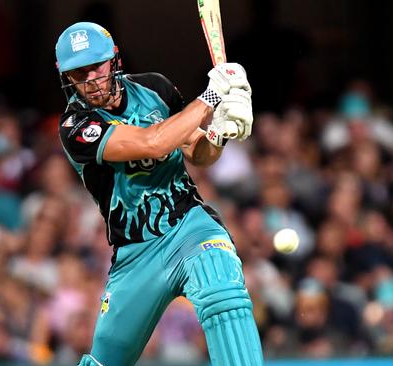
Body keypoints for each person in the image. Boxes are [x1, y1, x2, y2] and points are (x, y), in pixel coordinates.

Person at [55, 22, 262, 365]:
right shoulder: (75, 126)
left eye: (97, 67)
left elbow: (198, 153)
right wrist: (211, 96)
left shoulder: (155, 89)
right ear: (67, 77)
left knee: (222, 288)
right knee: (104, 361)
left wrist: (220, 133)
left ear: (114, 61)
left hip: (189, 226)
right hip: (136, 253)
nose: (91, 79)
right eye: (79, 73)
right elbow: (153, 142)